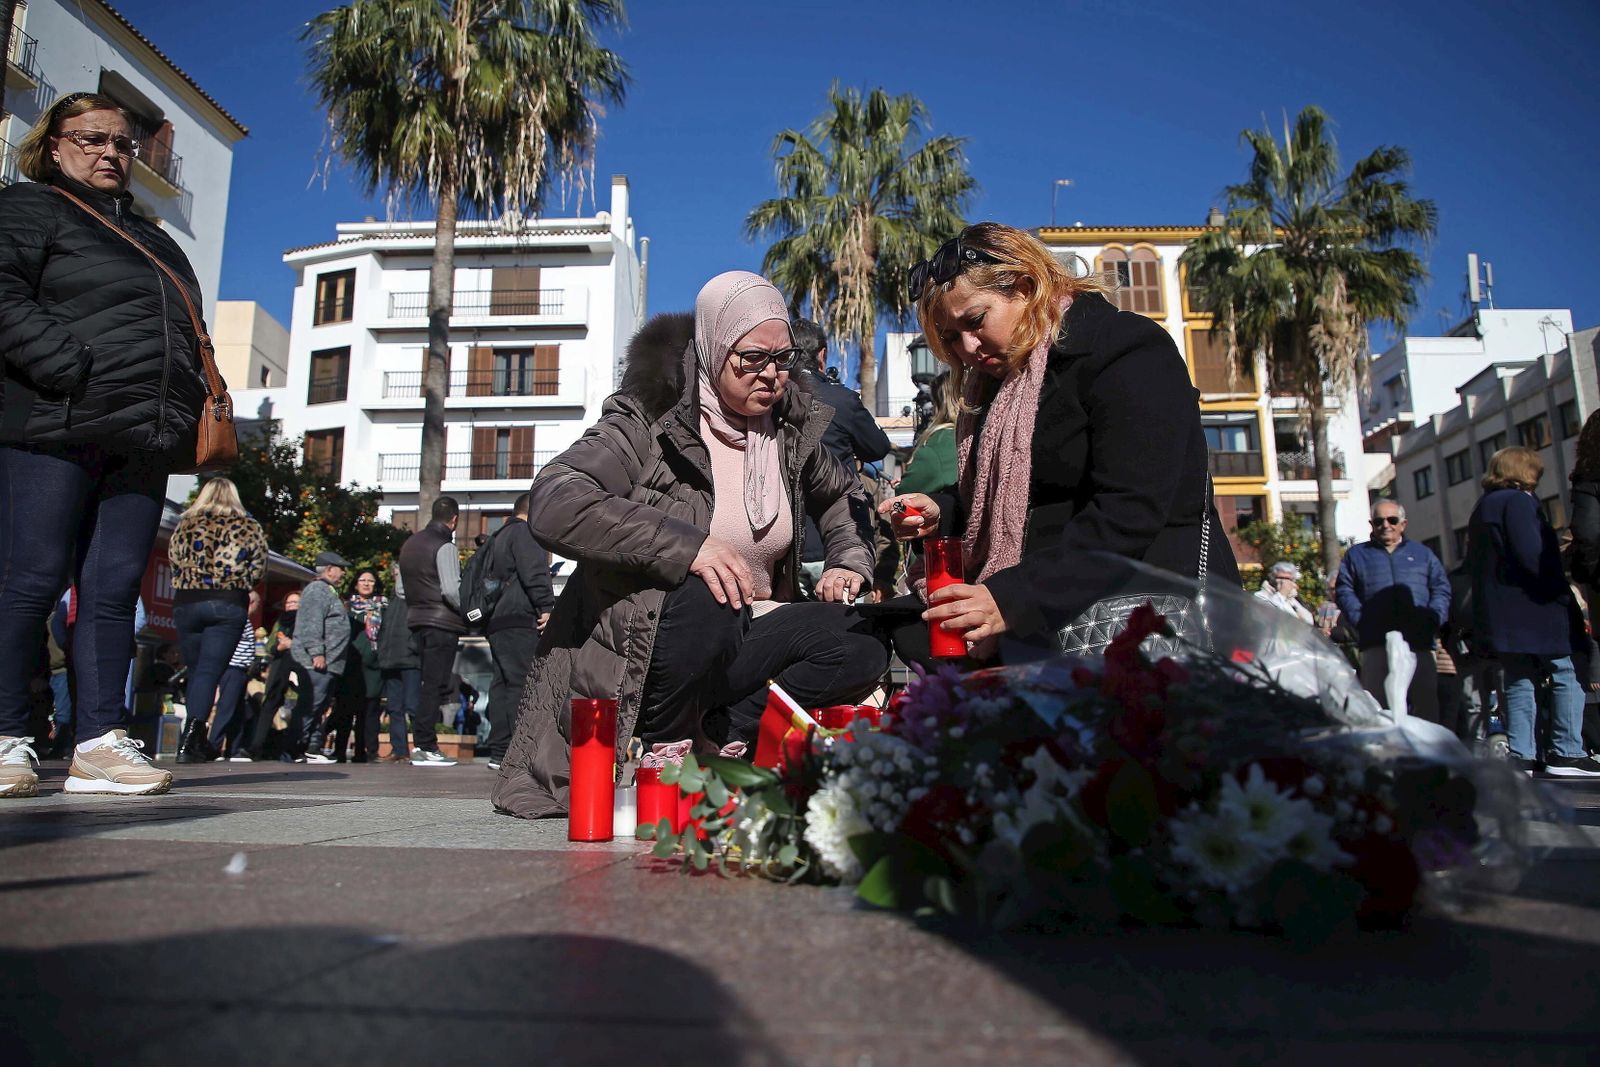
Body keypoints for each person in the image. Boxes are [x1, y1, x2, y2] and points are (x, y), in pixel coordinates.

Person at [492, 272, 884, 819]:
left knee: (862, 642)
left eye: (784, 357)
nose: (771, 374)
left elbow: (843, 497)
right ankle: (662, 748)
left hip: (747, 626)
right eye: (751, 358)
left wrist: (848, 561)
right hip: (649, 641)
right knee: (709, 594)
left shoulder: (791, 428)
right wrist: (689, 548)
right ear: (714, 345)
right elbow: (557, 501)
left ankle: (728, 736)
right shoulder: (646, 418)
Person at [879, 223, 1239, 663]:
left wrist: (1010, 598)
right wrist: (944, 512)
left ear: (1027, 287)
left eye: (974, 321)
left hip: (1144, 618)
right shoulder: (1001, 381)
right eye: (951, 337)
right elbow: (1016, 496)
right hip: (1052, 622)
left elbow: (1129, 511)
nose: (968, 348)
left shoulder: (1126, 350)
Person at [1, 92, 217, 798]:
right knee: (29, 579)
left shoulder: (156, 239)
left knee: (112, 590)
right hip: (53, 421)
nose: (110, 154)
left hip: (143, 434)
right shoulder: (30, 208)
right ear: (54, 144)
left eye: (121, 144)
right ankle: (7, 738)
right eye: (91, 139)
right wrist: (67, 366)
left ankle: (98, 741)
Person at [1466, 448, 1600, 776]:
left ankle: (1521, 754)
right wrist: (1559, 591)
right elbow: (1533, 555)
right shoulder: (1518, 502)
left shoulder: (1483, 506)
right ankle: (1566, 750)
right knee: (1566, 673)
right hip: (1536, 608)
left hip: (1500, 613)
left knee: (1518, 678)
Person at [169, 478, 268, 764]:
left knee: (197, 671)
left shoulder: (184, 523)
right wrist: (243, 583)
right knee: (208, 673)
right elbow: (259, 566)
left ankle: (194, 739)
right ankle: (192, 741)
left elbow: (173, 558)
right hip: (226, 601)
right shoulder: (248, 526)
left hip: (187, 600)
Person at [1334, 500, 1451, 722]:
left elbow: (1441, 589)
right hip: (1375, 641)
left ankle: (1428, 756)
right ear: (1372, 524)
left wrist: (1433, 618)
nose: (1385, 525)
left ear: (1403, 524)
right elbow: (1344, 590)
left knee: (1426, 708)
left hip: (1419, 642)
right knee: (1378, 710)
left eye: (1392, 520)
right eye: (1379, 521)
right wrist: (1361, 620)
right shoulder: (1356, 556)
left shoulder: (1423, 554)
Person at [792, 319, 883, 598]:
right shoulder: (842, 399)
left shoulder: (769, 402)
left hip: (788, 549)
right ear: (822, 354)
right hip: (838, 549)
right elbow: (877, 447)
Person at [484, 493, 556, 770]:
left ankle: (499, 750)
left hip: (497, 619)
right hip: (519, 616)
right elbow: (534, 571)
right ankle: (518, 749)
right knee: (521, 682)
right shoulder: (525, 533)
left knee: (500, 683)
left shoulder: (497, 537)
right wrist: (546, 606)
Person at [397, 497, 465, 767]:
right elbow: (451, 589)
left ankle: (423, 743)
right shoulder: (445, 546)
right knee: (436, 685)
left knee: (427, 682)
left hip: (417, 620)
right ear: (455, 520)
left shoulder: (409, 545)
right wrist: (468, 610)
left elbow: (400, 590)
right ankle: (426, 745)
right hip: (442, 622)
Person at [287, 551, 351, 763]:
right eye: (341, 569)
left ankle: (311, 748)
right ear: (330, 569)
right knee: (310, 705)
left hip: (329, 663)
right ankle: (295, 748)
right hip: (317, 663)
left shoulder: (327, 591)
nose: (343, 573)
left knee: (319, 706)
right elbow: (311, 624)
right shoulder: (317, 590)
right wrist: (317, 653)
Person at [329, 571, 383, 763]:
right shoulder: (345, 606)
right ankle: (340, 750)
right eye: (363, 580)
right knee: (345, 710)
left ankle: (365, 751)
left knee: (368, 712)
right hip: (349, 664)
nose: (367, 584)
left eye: (371, 580)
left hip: (373, 666)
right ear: (355, 583)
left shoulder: (383, 606)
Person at [211, 589, 262, 761]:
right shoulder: (238, 618)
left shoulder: (243, 620)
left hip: (241, 670)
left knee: (238, 710)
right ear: (251, 603)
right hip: (233, 668)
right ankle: (214, 746)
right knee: (226, 708)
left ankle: (234, 748)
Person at [375, 564, 419, 762]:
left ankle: (421, 747)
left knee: (413, 706)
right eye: (396, 573)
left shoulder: (415, 597)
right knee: (395, 708)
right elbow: (384, 631)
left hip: (410, 659)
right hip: (391, 661)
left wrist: (413, 648)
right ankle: (399, 749)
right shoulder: (391, 600)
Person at [1254, 560, 1315, 624]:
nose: (1284, 582)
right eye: (1281, 578)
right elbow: (1266, 618)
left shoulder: (1292, 599)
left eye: (1288, 579)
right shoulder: (1260, 596)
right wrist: (1281, 594)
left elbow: (1309, 621)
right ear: (1273, 578)